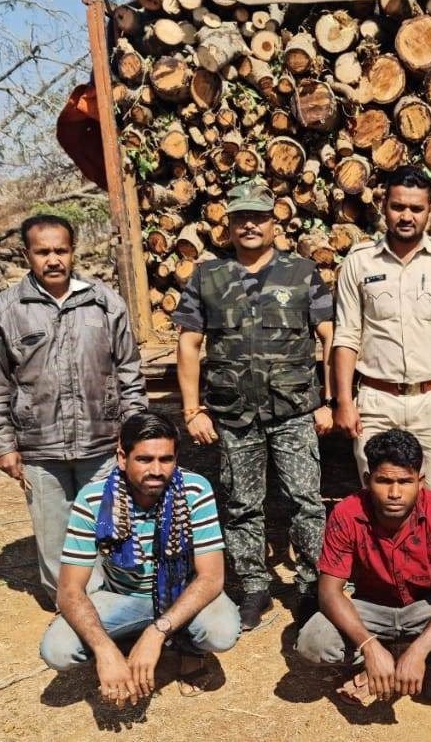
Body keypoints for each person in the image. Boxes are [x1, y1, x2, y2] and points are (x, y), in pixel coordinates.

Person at [172, 179, 334, 631]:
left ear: (273, 221)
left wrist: (332, 400)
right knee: (242, 503)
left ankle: (311, 587)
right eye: (240, 218)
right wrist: (191, 410)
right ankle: (255, 588)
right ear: (228, 225)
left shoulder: (301, 273)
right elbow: (188, 344)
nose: (249, 225)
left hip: (294, 410)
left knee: (306, 502)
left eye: (257, 217)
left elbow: (329, 337)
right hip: (234, 414)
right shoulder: (208, 276)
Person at [0, 213, 148, 603]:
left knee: (110, 530)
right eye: (42, 252)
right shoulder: (5, 310)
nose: (53, 259)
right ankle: (69, 613)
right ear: (26, 255)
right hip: (40, 449)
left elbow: (130, 375)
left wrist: (133, 438)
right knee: (55, 541)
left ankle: (111, 611)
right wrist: (4, 444)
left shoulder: (105, 303)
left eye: (60, 250)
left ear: (73, 252)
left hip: (102, 444)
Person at [39, 412, 240, 701]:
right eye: (144, 459)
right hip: (124, 596)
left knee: (221, 631)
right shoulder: (93, 499)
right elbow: (69, 590)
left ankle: (187, 649)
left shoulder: (196, 490)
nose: (156, 470)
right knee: (58, 650)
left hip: (181, 593)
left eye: (166, 459)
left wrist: (157, 632)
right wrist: (103, 650)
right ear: (122, 457)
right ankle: (122, 644)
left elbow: (211, 578)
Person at [296, 429, 431, 708]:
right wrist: (369, 647)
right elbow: (329, 591)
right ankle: (381, 665)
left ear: (420, 481)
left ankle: (415, 667)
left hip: (427, 605)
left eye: (405, 481)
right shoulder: (347, 513)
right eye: (384, 481)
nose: (395, 493)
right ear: (367, 480)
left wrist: (419, 652)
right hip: (370, 606)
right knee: (313, 644)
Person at [332, 166, 431, 501]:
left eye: (416, 208)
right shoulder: (360, 261)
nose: (407, 216)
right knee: (379, 498)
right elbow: (347, 336)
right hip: (376, 400)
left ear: (429, 211)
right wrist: (343, 401)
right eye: (399, 206)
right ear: (384, 205)